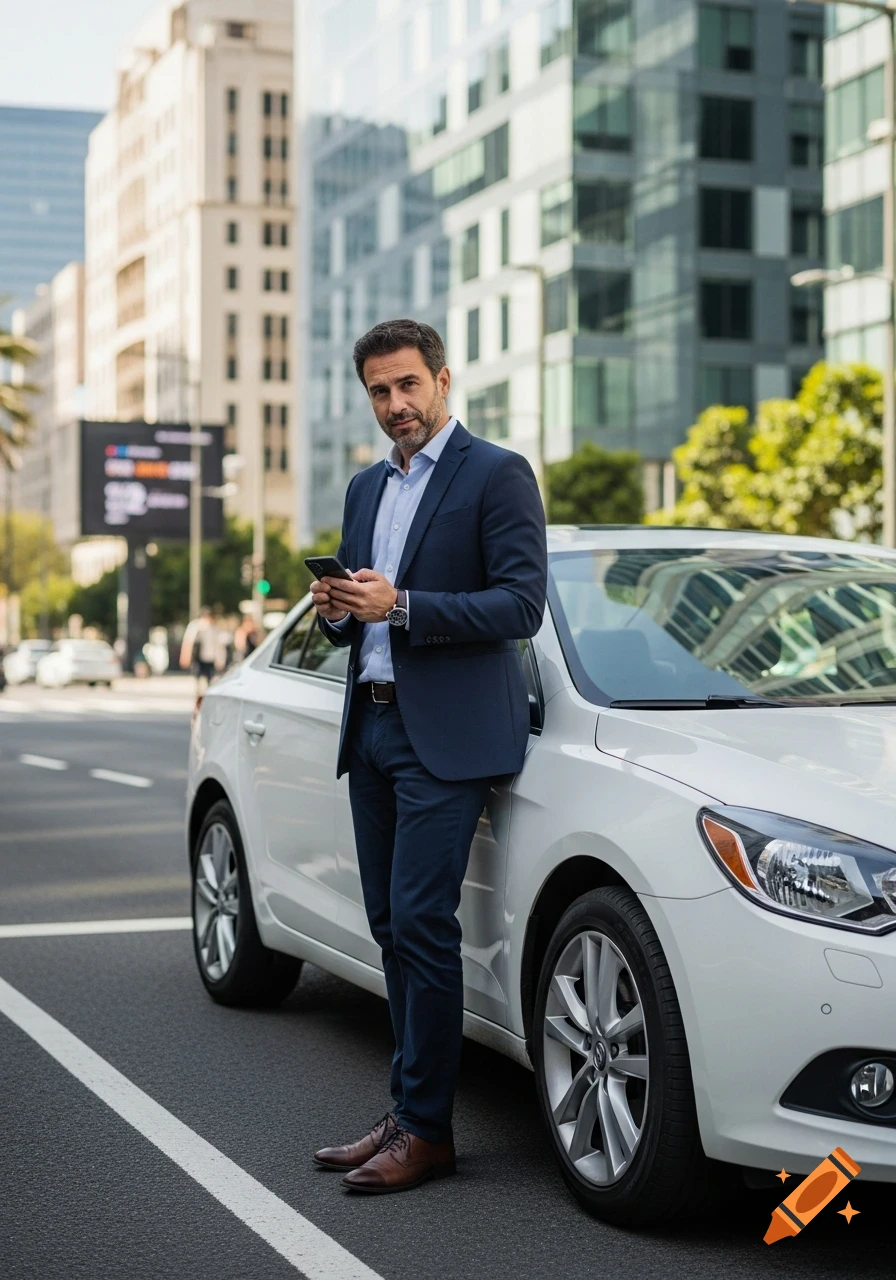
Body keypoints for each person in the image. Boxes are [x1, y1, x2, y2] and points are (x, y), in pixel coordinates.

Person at [310, 319, 547, 1194]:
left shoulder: (497, 474)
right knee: (389, 928)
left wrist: (402, 605)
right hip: (369, 727)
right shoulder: (368, 487)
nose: (395, 405)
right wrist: (338, 605)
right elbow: (354, 621)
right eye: (379, 391)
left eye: (408, 386)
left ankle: (429, 1131)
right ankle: (409, 1112)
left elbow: (520, 605)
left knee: (420, 924)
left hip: (443, 739)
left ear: (443, 381)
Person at [179, 606, 227, 692]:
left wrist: (220, 659)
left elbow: (219, 645)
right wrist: (186, 657)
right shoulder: (196, 626)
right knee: (199, 679)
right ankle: (199, 697)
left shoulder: (215, 628)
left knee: (210, 679)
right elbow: (189, 643)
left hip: (211, 658)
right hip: (199, 658)